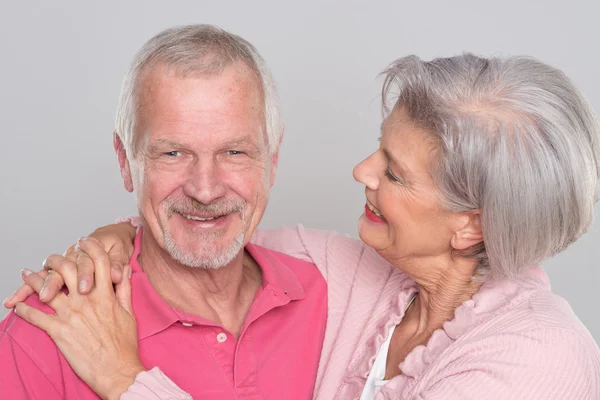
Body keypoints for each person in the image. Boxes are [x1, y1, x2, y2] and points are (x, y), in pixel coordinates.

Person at [5, 44, 600, 400]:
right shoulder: (341, 273)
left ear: (471, 226)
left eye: (393, 173)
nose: (360, 171)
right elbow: (206, 225)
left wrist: (125, 379)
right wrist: (105, 246)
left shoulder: (540, 361)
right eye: (378, 148)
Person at [0, 24, 329, 400]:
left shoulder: (333, 298)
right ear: (125, 161)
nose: (205, 190)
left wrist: (123, 378)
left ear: (272, 158)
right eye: (173, 153)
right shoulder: (52, 327)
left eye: (234, 152)